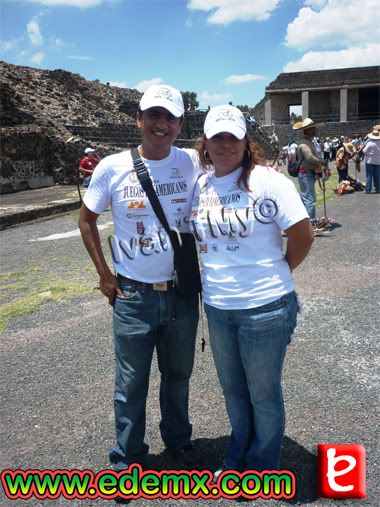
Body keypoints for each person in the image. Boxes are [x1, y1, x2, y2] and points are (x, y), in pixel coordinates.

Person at [78, 84, 201, 472]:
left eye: (169, 117)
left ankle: (178, 442)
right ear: (139, 119)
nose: (160, 124)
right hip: (133, 294)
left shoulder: (191, 162)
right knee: (130, 384)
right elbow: (86, 219)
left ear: (180, 123)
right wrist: (104, 275)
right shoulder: (112, 166)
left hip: (181, 292)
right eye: (153, 115)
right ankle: (127, 456)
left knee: (178, 376)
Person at [191, 105, 314, 474]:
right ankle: (237, 454)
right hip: (217, 306)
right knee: (233, 390)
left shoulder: (269, 181)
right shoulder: (201, 184)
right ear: (206, 143)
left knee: (263, 394)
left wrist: (279, 270)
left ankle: (261, 465)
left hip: (265, 306)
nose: (225, 144)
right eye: (218, 137)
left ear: (246, 141)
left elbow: (302, 235)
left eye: (233, 136)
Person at [292, 118, 326, 221]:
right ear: (306, 130)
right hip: (305, 173)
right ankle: (311, 223)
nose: (314, 130)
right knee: (309, 199)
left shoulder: (308, 142)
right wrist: (321, 161)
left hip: (307, 173)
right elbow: (309, 157)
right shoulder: (304, 143)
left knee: (305, 198)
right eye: (312, 128)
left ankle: (302, 220)